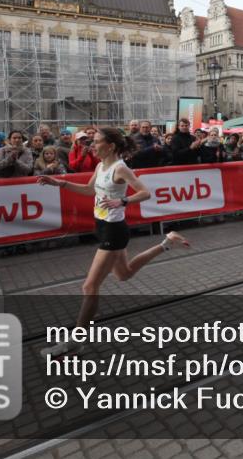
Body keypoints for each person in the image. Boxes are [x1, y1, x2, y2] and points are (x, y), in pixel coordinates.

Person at [39, 127, 188, 357]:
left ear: (110, 146)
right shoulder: (100, 166)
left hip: (113, 231)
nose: (92, 145)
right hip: (101, 225)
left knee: (89, 287)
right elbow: (89, 190)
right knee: (124, 274)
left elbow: (145, 193)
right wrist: (60, 183)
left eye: (97, 141)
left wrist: (123, 201)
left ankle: (75, 341)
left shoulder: (120, 168)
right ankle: (167, 242)